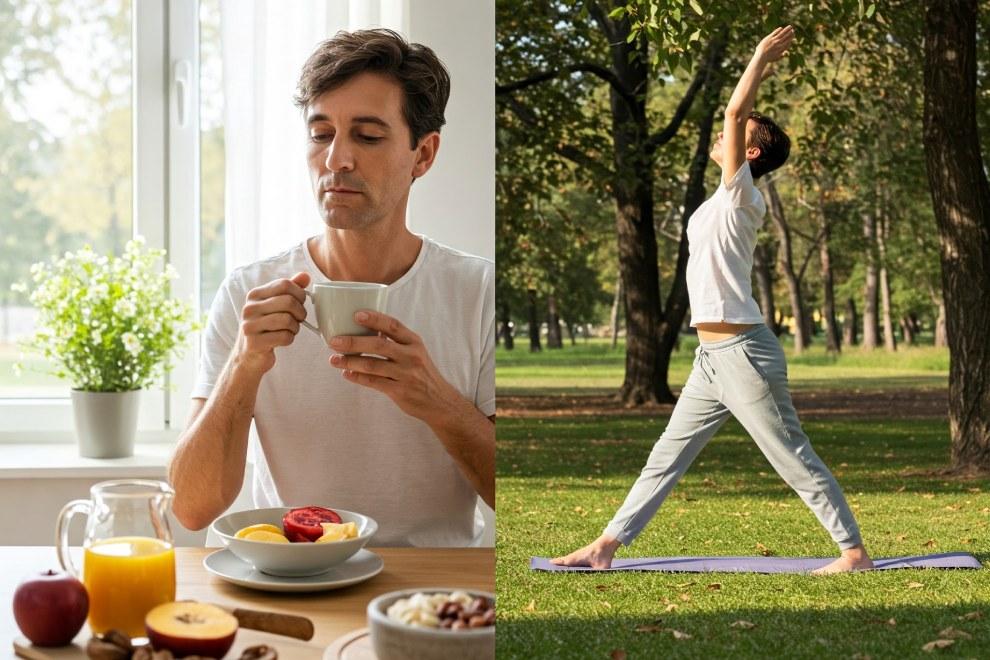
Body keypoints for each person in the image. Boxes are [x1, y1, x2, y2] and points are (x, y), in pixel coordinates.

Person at [552, 26, 873, 574]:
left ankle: (853, 553)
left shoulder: (742, 193)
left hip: (744, 354)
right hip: (710, 360)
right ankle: (604, 547)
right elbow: (734, 118)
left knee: (789, 454)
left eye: (737, 134)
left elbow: (732, 110)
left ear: (749, 153)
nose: (725, 134)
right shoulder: (721, 201)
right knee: (666, 456)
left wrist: (756, 59)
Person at [168, 29, 495, 547]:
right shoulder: (248, 293)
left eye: (367, 136)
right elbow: (190, 508)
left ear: (423, 155)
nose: (336, 159)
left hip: (433, 592)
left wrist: (436, 401)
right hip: (289, 577)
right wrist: (244, 364)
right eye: (321, 134)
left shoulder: (479, 293)